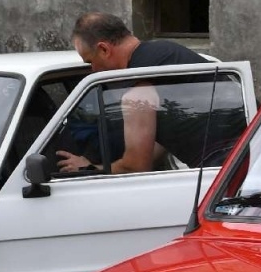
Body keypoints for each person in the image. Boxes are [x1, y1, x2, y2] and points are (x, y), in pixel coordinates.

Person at [57, 12, 211, 174]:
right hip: (234, 158)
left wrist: (89, 169)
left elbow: (136, 166)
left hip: (224, 166)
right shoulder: (168, 52)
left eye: (90, 61)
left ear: (104, 49)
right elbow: (163, 143)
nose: (93, 70)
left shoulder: (138, 88)